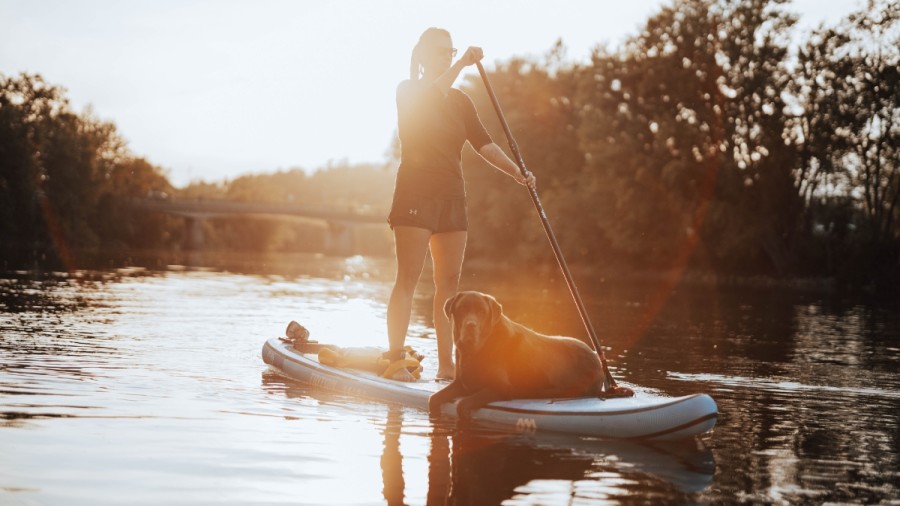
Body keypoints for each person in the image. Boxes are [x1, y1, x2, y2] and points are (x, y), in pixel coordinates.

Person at [384, 27, 536, 381]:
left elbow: (484, 143)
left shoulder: (461, 102)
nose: (446, 57)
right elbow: (432, 95)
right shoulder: (408, 92)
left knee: (448, 286)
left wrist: (518, 172)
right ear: (422, 55)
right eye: (439, 51)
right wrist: (462, 65)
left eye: (450, 52)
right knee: (408, 278)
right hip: (415, 194)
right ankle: (394, 360)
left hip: (452, 197)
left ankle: (448, 366)